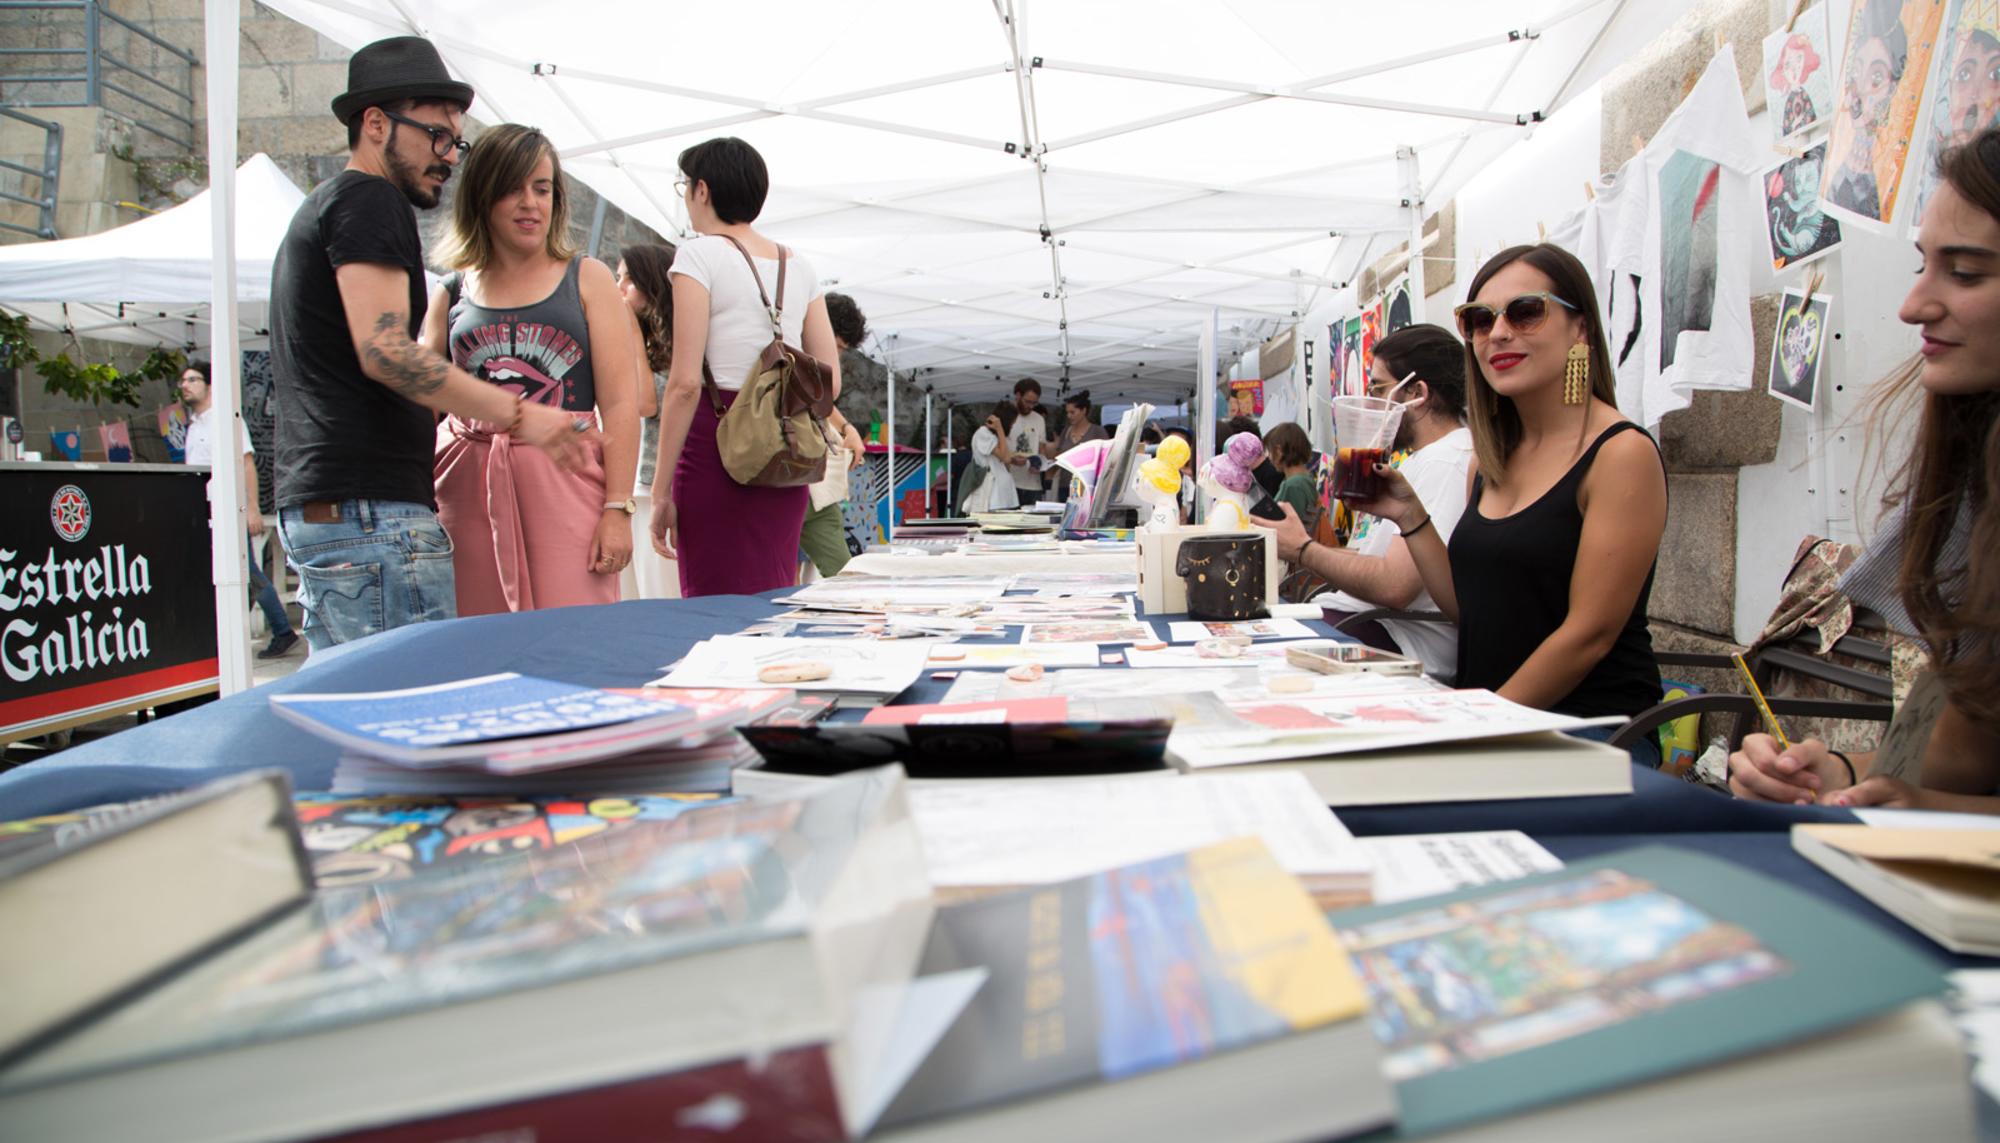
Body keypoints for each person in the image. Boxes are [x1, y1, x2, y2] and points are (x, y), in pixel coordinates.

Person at [270, 36, 589, 650]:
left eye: (455, 141)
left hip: (340, 507)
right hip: (368, 510)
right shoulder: (368, 199)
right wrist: (521, 414)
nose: (447, 156)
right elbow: (388, 352)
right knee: (408, 712)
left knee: (359, 712)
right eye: (435, 136)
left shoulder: (329, 205)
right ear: (375, 123)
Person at [1300, 245, 1668, 761]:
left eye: (1526, 311)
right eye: (1478, 319)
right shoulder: (1491, 458)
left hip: (1584, 734)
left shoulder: (1619, 453)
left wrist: (1475, 728)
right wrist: (1411, 515)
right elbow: (1469, 610)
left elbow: (1589, 635)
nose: (1497, 333)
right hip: (1487, 717)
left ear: (1580, 328)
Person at [1730, 131, 2000, 811]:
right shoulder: (1973, 479)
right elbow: (1961, 751)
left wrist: (1924, 809)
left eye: (1965, 272)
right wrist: (1833, 774)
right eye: (1923, 265)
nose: (1913, 305)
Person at [423, 124, 641, 615]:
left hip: (568, 483)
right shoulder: (452, 289)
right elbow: (419, 385)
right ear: (483, 197)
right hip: (467, 487)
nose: (530, 203)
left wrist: (618, 509)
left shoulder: (587, 277)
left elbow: (623, 403)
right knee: (476, 646)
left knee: (575, 636)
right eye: (513, 189)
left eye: (542, 189)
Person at [647, 137, 840, 597]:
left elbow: (685, 385)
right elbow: (830, 374)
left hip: (717, 438)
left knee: (712, 600)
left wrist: (659, 492)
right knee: (773, 587)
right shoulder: (800, 266)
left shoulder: (698, 254)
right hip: (785, 443)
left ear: (702, 190)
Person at [1257, 324, 1477, 681]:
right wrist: (1296, 544)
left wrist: (1303, 550)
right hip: (1369, 624)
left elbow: (1394, 586)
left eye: (1378, 387)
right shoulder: (1425, 458)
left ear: (1417, 393)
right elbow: (1376, 562)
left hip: (1401, 640)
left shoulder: (1447, 459)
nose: (1370, 399)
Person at [179, 361, 298, 659]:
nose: (185, 385)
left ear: (209, 385)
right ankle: (228, 633)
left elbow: (247, 464)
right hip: (203, 512)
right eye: (183, 380)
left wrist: (252, 508)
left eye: (193, 379)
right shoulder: (193, 425)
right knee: (231, 574)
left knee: (248, 572)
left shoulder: (226, 420)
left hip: (226, 510)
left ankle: (282, 631)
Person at [614, 242, 681, 600]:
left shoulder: (677, 343)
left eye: (628, 280)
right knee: (628, 598)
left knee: (660, 594)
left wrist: (632, 335)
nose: (619, 289)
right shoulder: (631, 338)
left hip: (656, 486)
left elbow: (645, 403)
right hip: (624, 487)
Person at [799, 292, 870, 579]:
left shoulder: (811, 366)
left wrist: (847, 428)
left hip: (818, 490)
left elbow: (820, 400)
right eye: (837, 347)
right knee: (777, 576)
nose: (836, 356)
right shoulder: (785, 354)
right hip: (790, 483)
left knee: (842, 574)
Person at [1042, 389, 1107, 501]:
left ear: (1083, 411)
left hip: (1088, 486)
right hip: (1065, 484)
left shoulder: (1097, 431)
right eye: (1067, 412)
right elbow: (1059, 455)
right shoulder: (1066, 431)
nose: (1069, 416)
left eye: (1072, 412)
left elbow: (1106, 458)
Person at [965, 401, 1022, 513]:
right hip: (992, 494)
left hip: (1004, 492)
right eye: (1011, 423)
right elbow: (1003, 457)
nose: (1011, 426)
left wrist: (1014, 459)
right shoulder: (983, 433)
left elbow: (1005, 460)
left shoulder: (995, 436)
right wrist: (1000, 429)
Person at [1005, 378, 1048, 506]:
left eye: (1034, 403)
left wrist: (1040, 464)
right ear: (1018, 395)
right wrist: (1011, 460)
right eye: (1027, 402)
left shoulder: (1039, 419)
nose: (1030, 406)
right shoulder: (1005, 416)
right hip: (1009, 483)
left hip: (1033, 485)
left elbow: (1042, 448)